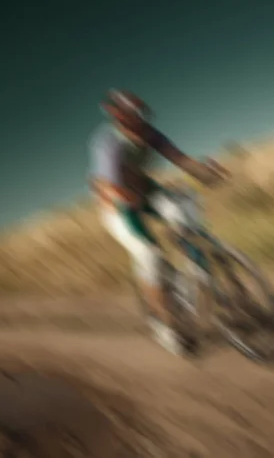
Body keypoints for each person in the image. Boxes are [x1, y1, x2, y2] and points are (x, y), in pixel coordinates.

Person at [88, 89, 226, 355]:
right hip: (118, 206)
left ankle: (198, 276)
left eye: (143, 118)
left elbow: (181, 160)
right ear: (119, 119)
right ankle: (165, 325)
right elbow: (107, 183)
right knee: (150, 255)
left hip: (146, 191)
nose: (140, 125)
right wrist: (123, 196)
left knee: (183, 215)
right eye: (132, 120)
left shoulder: (151, 135)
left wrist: (207, 175)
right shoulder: (108, 143)